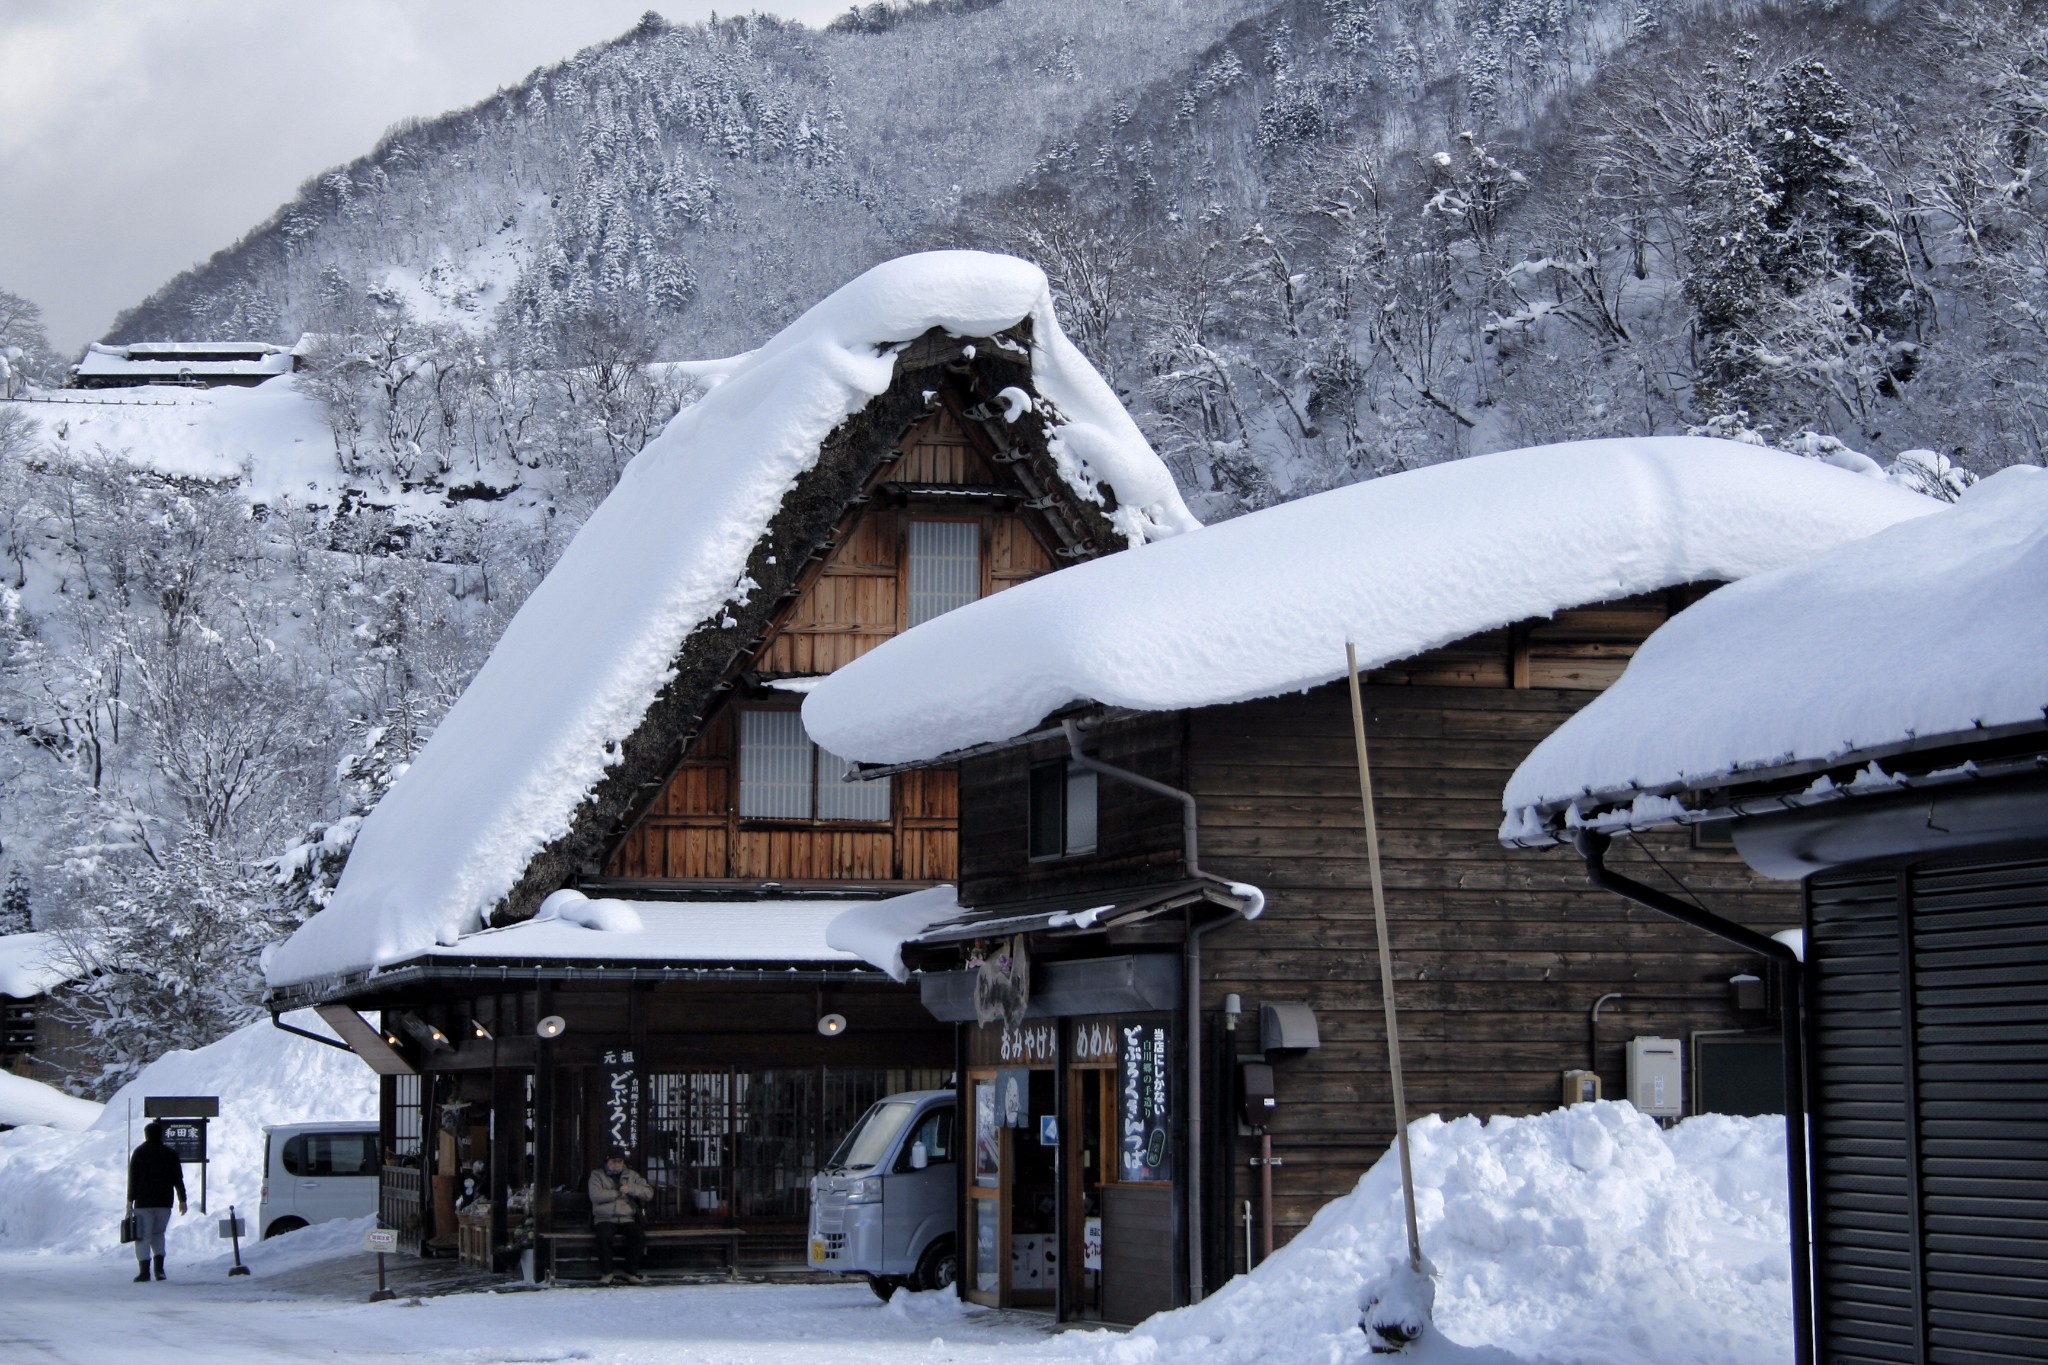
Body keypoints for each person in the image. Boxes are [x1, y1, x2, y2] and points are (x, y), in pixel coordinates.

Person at [126, 1119, 187, 1283]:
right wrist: (182, 1199)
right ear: (161, 1135)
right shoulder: (170, 1153)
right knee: (158, 1234)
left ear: (146, 1135)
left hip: (143, 1202)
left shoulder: (139, 1152)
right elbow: (178, 1179)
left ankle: (144, 1271)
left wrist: (129, 1200)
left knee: (143, 1237)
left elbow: (133, 1178)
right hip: (164, 1202)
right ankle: (160, 1270)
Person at [587, 1149, 652, 1285]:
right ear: (607, 1161)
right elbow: (595, 1195)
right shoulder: (597, 1175)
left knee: (638, 1235)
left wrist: (632, 1189)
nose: (617, 1165)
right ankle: (607, 1273)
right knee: (603, 1237)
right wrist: (617, 1193)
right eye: (614, 1161)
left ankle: (630, 1272)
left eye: (620, 1162)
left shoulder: (632, 1175)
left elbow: (648, 1193)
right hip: (604, 1217)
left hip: (627, 1217)